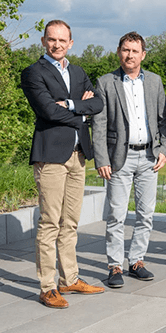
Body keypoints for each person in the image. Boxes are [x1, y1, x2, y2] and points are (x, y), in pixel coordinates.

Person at [21, 20, 105, 308]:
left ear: (71, 43)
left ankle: (69, 279)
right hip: (51, 156)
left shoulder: (78, 72)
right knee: (49, 223)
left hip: (78, 155)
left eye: (62, 40)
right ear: (44, 41)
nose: (57, 45)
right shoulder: (33, 73)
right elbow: (46, 111)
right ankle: (47, 286)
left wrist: (69, 105)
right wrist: (81, 110)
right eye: (51, 40)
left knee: (70, 222)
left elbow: (98, 104)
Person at [93, 31, 166, 288]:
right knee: (116, 214)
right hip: (119, 158)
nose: (130, 55)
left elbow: (164, 119)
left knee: (146, 214)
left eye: (135, 51)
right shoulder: (106, 82)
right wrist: (101, 158)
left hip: (149, 157)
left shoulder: (155, 82)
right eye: (126, 50)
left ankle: (136, 260)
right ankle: (114, 266)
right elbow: (100, 123)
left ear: (143, 55)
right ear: (119, 52)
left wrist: (165, 149)